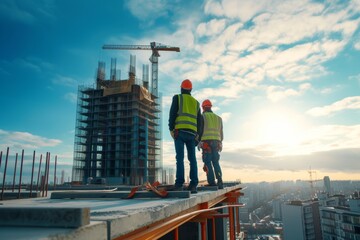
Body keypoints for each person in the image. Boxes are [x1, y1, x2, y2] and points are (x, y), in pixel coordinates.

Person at [168, 79, 202, 193]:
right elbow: (200, 122)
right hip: (192, 134)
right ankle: (193, 185)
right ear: (191, 90)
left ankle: (179, 184)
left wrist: (171, 129)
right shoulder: (196, 103)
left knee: (180, 158)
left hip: (180, 132)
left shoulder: (177, 98)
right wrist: (199, 137)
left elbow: (172, 114)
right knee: (192, 160)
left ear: (181, 88)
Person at [198, 99, 224, 189]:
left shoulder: (202, 117)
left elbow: (200, 131)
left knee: (207, 162)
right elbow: (221, 134)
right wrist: (220, 143)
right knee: (216, 162)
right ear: (210, 107)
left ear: (203, 107)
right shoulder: (218, 118)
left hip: (206, 143)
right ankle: (220, 181)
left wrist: (198, 141)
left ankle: (212, 182)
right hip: (217, 143)